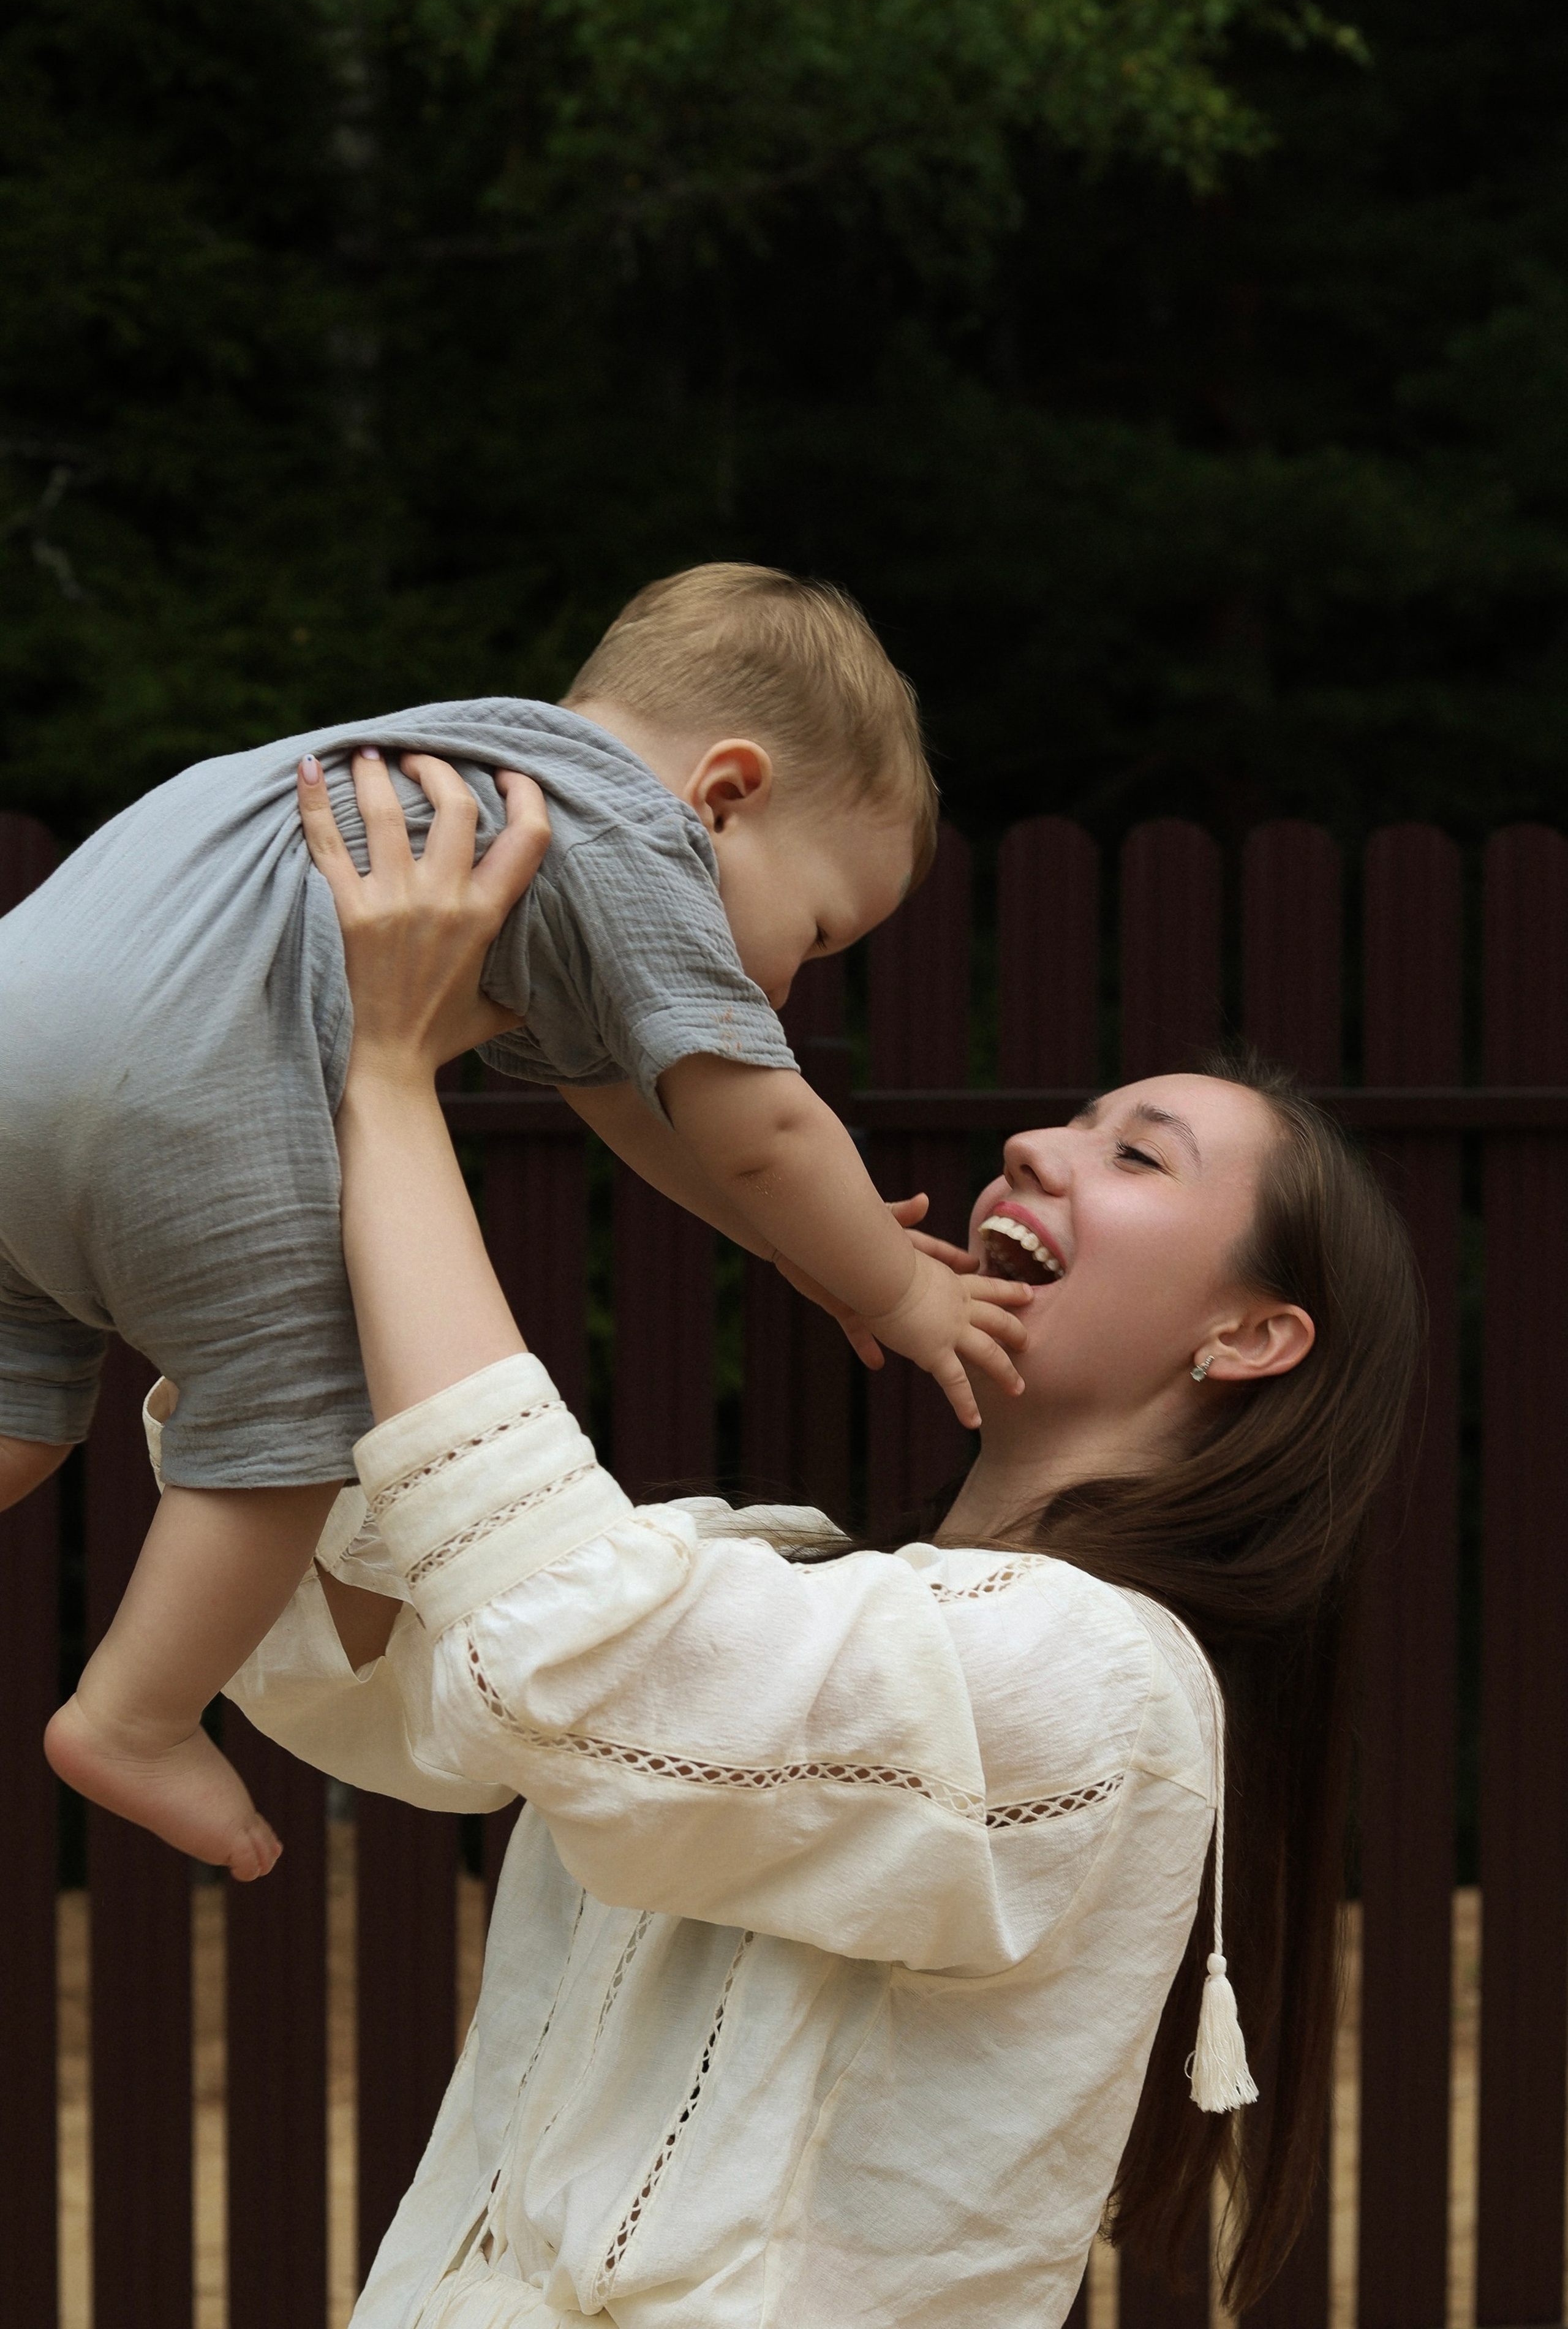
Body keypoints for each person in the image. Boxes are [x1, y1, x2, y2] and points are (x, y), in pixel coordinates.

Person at [208, 753, 1422, 2323]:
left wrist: (391, 1082)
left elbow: (573, 1659)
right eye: (1068, 1119)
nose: (1035, 1151)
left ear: (1248, 1340)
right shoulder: (792, 1579)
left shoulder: (1101, 1686)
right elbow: (387, 1670)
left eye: (1136, 1156)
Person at [0, 563, 1029, 1879]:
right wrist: (895, 1289)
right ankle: (132, 1717)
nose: (787, 980)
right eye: (818, 931)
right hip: (182, 1080)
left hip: (28, 1032)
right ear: (726, 795)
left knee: (23, 1408)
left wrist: (792, 1246)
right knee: (305, 1398)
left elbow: (622, 1101)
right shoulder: (630, 834)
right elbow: (763, 1129)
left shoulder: (481, 782)